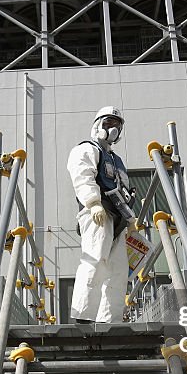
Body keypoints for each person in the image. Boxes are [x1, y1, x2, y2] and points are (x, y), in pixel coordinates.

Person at [67, 106, 138, 324]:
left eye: (117, 125)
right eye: (108, 124)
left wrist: (131, 219)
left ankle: (110, 319)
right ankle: (83, 315)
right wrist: (93, 202)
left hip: (118, 220)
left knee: (118, 271)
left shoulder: (116, 160)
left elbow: (124, 190)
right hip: (98, 213)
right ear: (97, 125)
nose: (113, 129)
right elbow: (82, 175)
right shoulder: (87, 149)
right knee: (95, 260)